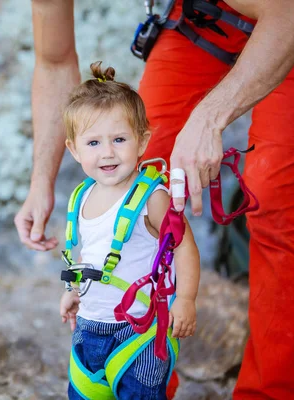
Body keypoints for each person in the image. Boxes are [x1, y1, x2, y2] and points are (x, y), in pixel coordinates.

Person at [14, 0, 294, 398]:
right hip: (201, 16)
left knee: (272, 196)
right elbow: (54, 63)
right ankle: (143, 374)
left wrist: (210, 119)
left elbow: (291, 17)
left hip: (291, 18)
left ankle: (272, 392)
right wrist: (40, 182)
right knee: (139, 166)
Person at [58, 61, 200, 399]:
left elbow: (183, 247)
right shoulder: (81, 196)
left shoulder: (152, 197)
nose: (107, 152)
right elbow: (90, 251)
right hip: (89, 330)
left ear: (142, 141)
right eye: (93, 143)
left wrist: (186, 299)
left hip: (140, 333)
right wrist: (75, 291)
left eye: (119, 139)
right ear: (74, 149)